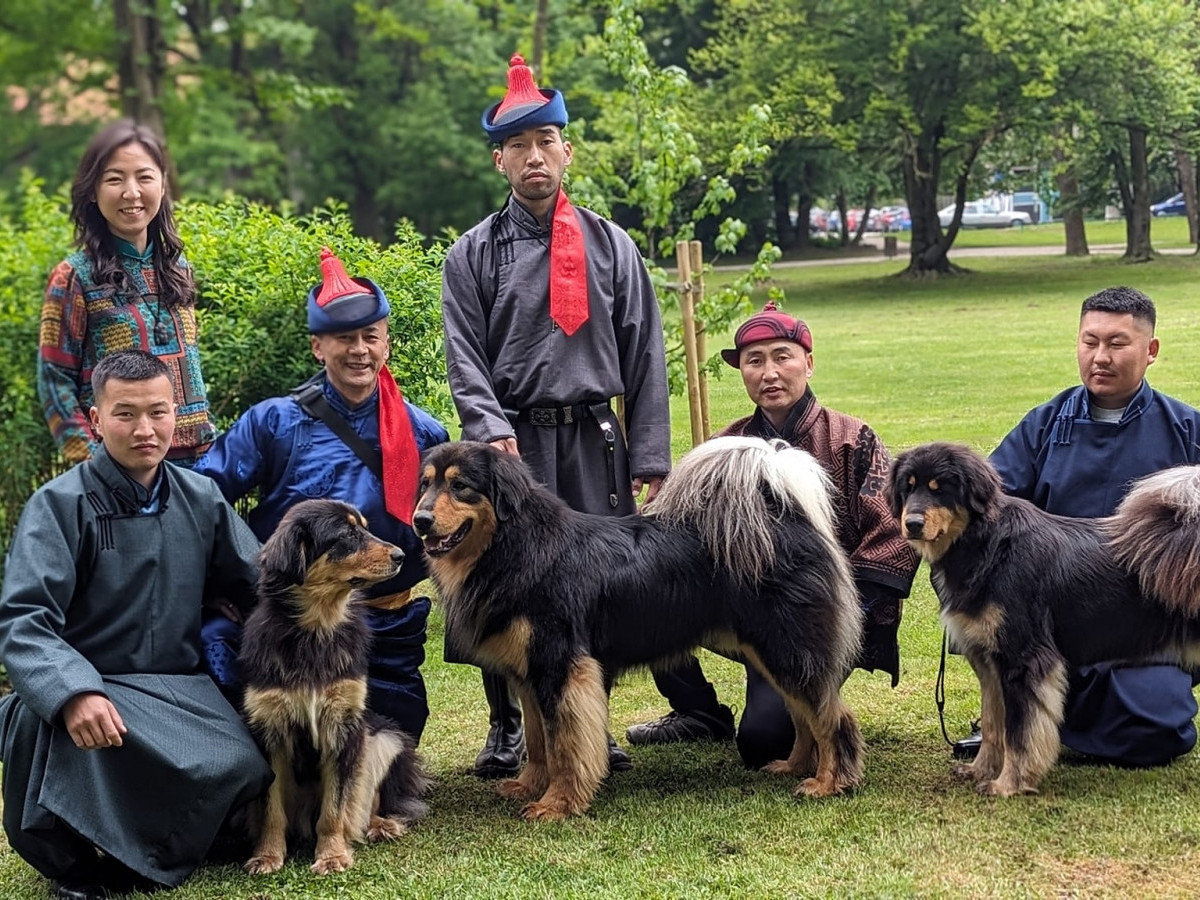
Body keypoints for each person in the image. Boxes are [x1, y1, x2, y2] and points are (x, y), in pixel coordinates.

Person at [441, 54, 672, 778]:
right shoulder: (471, 255)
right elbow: (464, 357)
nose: (534, 157)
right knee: (501, 581)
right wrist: (488, 433)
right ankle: (509, 727)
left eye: (547, 141)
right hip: (512, 448)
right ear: (498, 160)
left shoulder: (612, 244)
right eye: (519, 146)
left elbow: (645, 355)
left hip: (592, 441)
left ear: (567, 150)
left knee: (593, 585)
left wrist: (652, 459)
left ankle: (588, 728)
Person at [0, 350, 272, 900]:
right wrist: (72, 693)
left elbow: (261, 582)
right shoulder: (58, 504)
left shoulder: (200, 497)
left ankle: (152, 848)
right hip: (92, 679)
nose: (145, 430)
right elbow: (24, 620)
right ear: (97, 421)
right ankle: (73, 868)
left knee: (243, 763)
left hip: (175, 687)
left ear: (178, 414)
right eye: (125, 414)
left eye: (158, 412)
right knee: (38, 718)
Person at [625, 302, 920, 769]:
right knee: (650, 588)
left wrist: (840, 610)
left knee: (765, 738)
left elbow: (893, 534)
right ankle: (698, 710)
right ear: (741, 370)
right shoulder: (724, 449)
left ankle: (820, 721)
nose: (770, 373)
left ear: (808, 361)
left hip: (817, 613)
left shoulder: (852, 438)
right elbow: (667, 533)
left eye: (783, 356)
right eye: (754, 360)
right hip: (742, 611)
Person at [195, 247, 448, 743]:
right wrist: (222, 586)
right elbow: (204, 497)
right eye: (344, 338)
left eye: (370, 337)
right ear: (318, 347)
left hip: (382, 619)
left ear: (386, 344)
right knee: (214, 647)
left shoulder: (424, 434)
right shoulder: (273, 423)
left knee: (393, 737)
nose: (359, 350)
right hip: (289, 622)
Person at [959, 285, 1200, 766]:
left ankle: (1046, 717)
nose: (1100, 357)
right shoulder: (1044, 425)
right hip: (1052, 617)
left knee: (1156, 733)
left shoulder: (1186, 429)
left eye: (1117, 343)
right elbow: (985, 512)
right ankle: (1033, 712)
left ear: (1150, 351)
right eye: (1090, 342)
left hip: (1143, 625)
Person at [38, 119, 217, 467]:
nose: (132, 193)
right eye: (115, 179)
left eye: (144, 177)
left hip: (196, 466)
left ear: (163, 184)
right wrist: (94, 465)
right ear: (93, 190)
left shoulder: (179, 268)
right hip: (119, 469)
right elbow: (54, 383)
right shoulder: (73, 276)